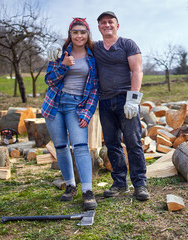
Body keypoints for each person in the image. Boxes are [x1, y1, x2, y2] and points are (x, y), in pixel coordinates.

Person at [42, 17, 99, 210]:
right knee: (61, 146)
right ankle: (71, 185)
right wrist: (64, 64)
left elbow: (94, 89)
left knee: (81, 146)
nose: (79, 35)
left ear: (87, 34)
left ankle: (88, 191)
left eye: (82, 32)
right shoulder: (60, 53)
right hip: (55, 104)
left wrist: (87, 113)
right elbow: (49, 80)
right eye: (75, 32)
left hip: (77, 106)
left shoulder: (93, 57)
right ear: (70, 34)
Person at [94, 11, 150, 201]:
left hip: (126, 101)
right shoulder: (96, 47)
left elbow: (137, 70)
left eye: (110, 22)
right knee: (112, 143)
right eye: (103, 23)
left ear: (117, 25)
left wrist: (133, 99)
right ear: (99, 27)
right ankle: (119, 182)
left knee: (133, 142)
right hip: (105, 101)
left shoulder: (127, 44)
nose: (107, 25)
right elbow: (75, 42)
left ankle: (140, 184)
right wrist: (57, 46)